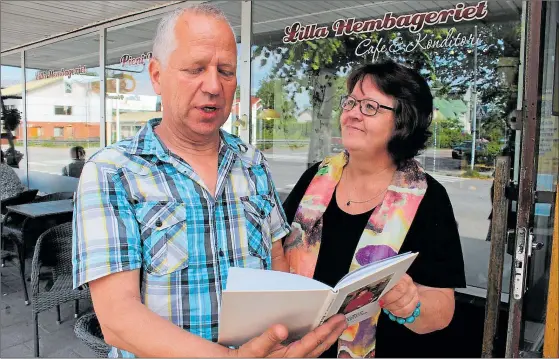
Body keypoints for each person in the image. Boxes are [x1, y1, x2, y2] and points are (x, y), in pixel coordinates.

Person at [71, 5, 347, 359]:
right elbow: (117, 317)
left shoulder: (252, 163)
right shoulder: (112, 171)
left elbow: (277, 259)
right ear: (156, 75)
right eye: (195, 69)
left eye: (226, 71)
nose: (214, 86)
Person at [279, 61, 466, 358]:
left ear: (403, 122)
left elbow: (442, 309)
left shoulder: (429, 199)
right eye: (351, 102)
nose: (352, 113)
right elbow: (277, 255)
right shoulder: (315, 179)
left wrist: (411, 303)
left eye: (370, 107)